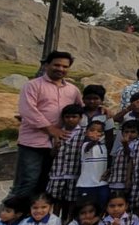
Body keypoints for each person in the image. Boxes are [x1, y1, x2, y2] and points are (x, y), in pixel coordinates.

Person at [9, 51, 83, 202]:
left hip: (58, 145)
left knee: (47, 184)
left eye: (65, 66)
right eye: (57, 65)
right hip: (33, 143)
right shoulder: (32, 86)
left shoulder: (72, 90)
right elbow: (28, 111)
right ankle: (15, 217)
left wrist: (103, 110)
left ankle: (38, 219)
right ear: (47, 65)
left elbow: (81, 109)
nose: (60, 69)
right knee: (28, 182)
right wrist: (51, 129)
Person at [45, 104, 85, 220]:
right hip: (58, 173)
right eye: (67, 117)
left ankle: (67, 222)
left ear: (80, 118)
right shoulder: (57, 133)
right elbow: (51, 155)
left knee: (72, 201)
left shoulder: (83, 133)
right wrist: (55, 148)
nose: (70, 119)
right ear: (63, 118)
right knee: (56, 201)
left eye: (74, 117)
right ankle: (55, 223)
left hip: (74, 173)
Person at [75, 120, 111, 210]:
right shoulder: (85, 145)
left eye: (99, 131)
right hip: (86, 184)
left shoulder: (104, 146)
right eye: (92, 130)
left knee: (102, 207)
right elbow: (88, 147)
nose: (95, 133)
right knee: (85, 208)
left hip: (102, 183)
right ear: (86, 132)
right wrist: (95, 140)